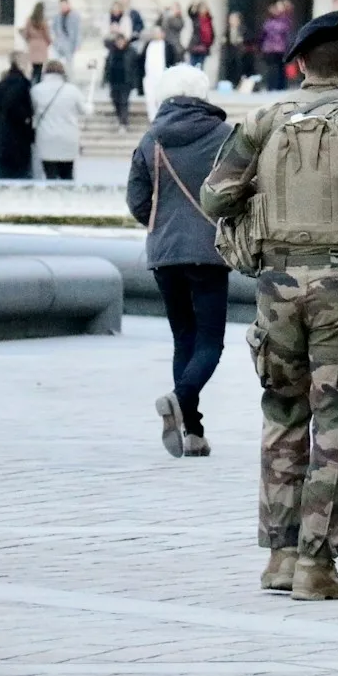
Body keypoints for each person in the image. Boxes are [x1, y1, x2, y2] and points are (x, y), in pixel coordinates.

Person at [201, 8, 338, 602]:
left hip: (275, 290)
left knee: (282, 417)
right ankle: (316, 564)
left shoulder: (265, 121)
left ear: (298, 63)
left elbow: (215, 195)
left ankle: (278, 555)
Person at [127, 63, 234, 459]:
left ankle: (193, 433)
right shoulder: (225, 136)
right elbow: (241, 191)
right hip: (209, 249)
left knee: (183, 338)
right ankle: (180, 397)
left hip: (164, 253)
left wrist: (163, 224)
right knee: (210, 341)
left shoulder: (151, 138)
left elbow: (137, 200)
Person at [30, 60, 89, 180]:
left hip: (46, 137)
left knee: (50, 175)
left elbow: (32, 112)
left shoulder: (36, 90)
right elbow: (85, 111)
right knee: (67, 174)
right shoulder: (72, 90)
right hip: (68, 138)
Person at [0, 58, 36, 179]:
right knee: (23, 176)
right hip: (21, 137)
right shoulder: (25, 87)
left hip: (0, 136)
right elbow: (27, 112)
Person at [104, 27, 136, 131]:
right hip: (114, 80)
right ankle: (120, 118)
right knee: (115, 100)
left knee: (124, 101)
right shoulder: (112, 51)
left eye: (122, 41)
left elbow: (135, 67)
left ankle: (124, 122)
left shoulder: (131, 51)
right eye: (118, 41)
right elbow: (107, 66)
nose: (120, 43)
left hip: (126, 81)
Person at [257, 1, 292, 90]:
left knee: (278, 68)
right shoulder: (270, 22)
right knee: (273, 68)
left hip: (277, 48)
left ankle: (277, 86)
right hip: (272, 48)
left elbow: (263, 35)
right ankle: (274, 86)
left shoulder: (282, 20)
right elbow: (263, 35)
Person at [21, 2, 52, 84]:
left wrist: (29, 41)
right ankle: (37, 83)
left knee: (33, 67)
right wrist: (49, 42)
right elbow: (47, 35)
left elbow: (25, 34)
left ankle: (32, 82)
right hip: (42, 45)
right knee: (40, 68)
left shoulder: (29, 20)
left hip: (32, 44)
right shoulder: (44, 21)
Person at [221, 11, 252, 88]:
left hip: (240, 53)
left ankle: (239, 84)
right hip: (230, 52)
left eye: (234, 19)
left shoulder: (243, 29)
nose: (232, 21)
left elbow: (249, 39)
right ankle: (231, 83)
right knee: (230, 68)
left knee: (240, 68)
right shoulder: (228, 30)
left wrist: (242, 41)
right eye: (231, 19)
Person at [51, 0, 82, 67]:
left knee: (69, 64)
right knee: (57, 64)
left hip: (70, 43)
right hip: (59, 43)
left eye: (64, 5)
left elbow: (78, 31)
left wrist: (77, 45)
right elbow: (53, 29)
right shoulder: (57, 16)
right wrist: (54, 41)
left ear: (68, 4)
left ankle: (69, 77)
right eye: (61, 5)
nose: (62, 7)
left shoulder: (75, 16)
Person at [186, 1, 215, 69]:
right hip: (194, 46)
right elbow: (190, 12)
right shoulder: (196, 18)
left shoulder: (209, 20)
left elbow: (212, 34)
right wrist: (193, 5)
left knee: (200, 67)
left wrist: (209, 44)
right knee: (192, 67)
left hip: (203, 48)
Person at [162, 3, 187, 68]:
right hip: (168, 45)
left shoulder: (178, 19)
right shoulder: (167, 18)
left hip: (176, 46)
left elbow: (179, 25)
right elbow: (163, 27)